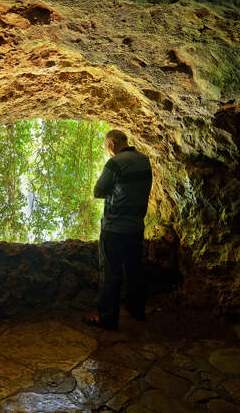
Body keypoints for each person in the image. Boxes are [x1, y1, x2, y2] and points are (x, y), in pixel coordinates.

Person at [83, 130, 153, 330]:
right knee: (134, 269)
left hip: (114, 228)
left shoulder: (115, 163)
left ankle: (107, 318)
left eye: (106, 147)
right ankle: (136, 310)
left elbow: (98, 191)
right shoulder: (144, 160)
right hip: (136, 227)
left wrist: (114, 191)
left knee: (110, 273)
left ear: (111, 144)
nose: (107, 151)